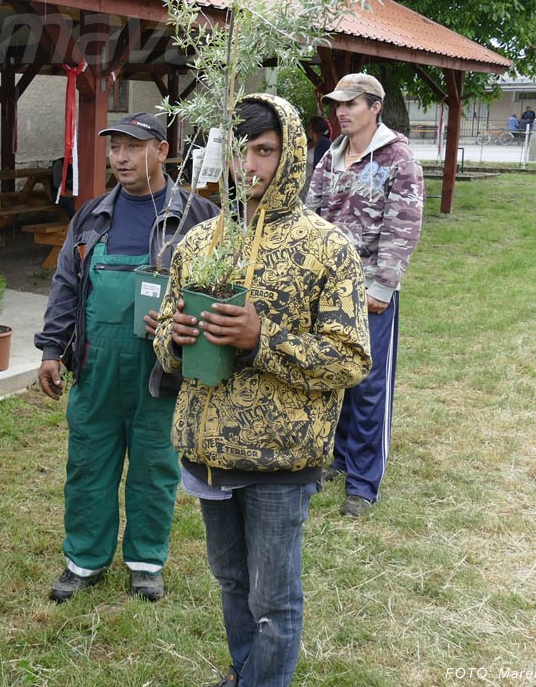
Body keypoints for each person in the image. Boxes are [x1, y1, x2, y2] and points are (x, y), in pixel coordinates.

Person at [153, 94, 371, 687]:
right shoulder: (201, 242)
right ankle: (245, 671)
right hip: (208, 453)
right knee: (231, 583)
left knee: (273, 599)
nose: (250, 166)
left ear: (292, 156)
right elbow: (167, 341)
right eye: (240, 150)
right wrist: (173, 338)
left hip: (280, 457)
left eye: (265, 151)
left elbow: (351, 358)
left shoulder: (327, 248)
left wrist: (261, 342)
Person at [34, 112, 218, 604]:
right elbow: (67, 285)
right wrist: (53, 347)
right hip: (96, 367)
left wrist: (185, 322)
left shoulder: (198, 216)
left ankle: (145, 562)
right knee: (89, 463)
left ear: (161, 150)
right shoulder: (91, 214)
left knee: (154, 466)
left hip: (162, 371)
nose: (120, 157)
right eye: (114, 147)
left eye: (133, 147)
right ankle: (84, 560)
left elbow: (218, 294)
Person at [306, 73, 425, 517]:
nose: (341, 111)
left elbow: (404, 226)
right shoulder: (330, 156)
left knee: (369, 386)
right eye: (337, 103)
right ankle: (337, 459)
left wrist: (383, 286)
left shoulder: (398, 158)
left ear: (375, 106)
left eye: (351, 103)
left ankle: (363, 482)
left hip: (370, 290)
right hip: (327, 288)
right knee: (333, 375)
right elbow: (312, 215)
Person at [303, 115, 331, 197]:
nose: (307, 129)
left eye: (309, 127)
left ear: (314, 128)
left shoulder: (326, 144)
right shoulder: (307, 143)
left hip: (314, 189)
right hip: (303, 187)